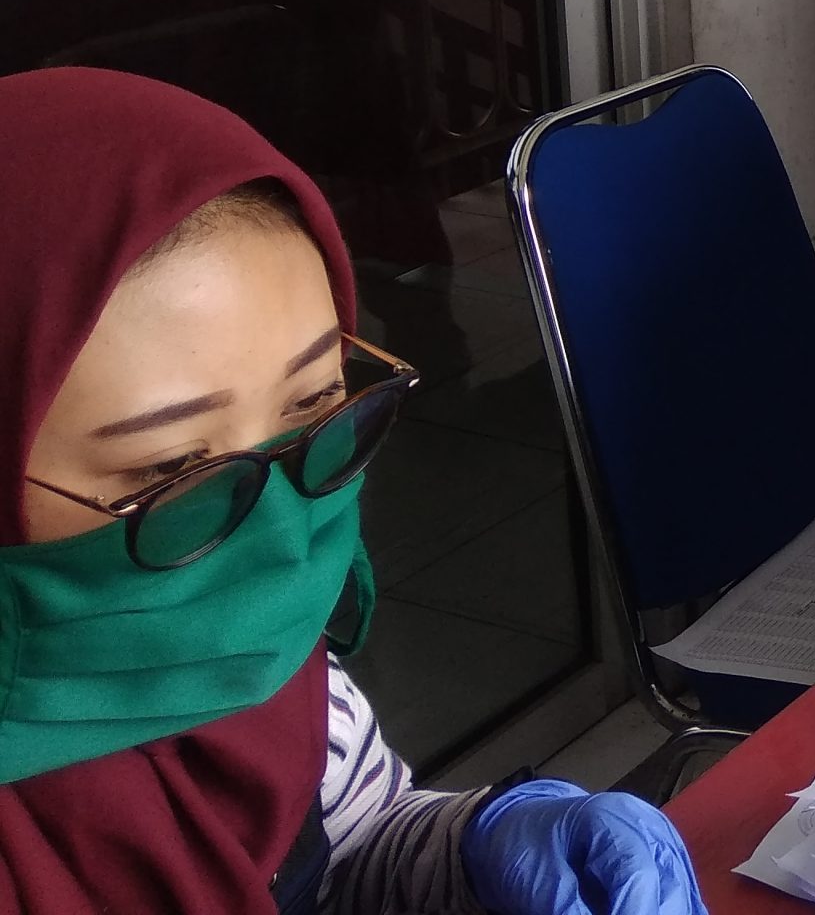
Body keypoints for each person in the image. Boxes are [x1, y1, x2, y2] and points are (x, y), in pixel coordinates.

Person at [0, 68, 707, 914]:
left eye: (313, 408)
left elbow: (352, 843)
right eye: (170, 470)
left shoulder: (263, 668)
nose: (282, 538)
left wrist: (478, 850)